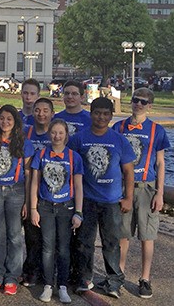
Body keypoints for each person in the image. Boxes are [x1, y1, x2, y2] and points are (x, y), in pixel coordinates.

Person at [68, 97, 135, 299]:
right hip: (86, 199)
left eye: (106, 114)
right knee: (84, 242)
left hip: (112, 200)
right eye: (97, 113)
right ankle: (83, 278)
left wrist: (128, 197)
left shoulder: (119, 140)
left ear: (111, 116)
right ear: (91, 114)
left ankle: (114, 281)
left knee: (111, 242)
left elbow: (129, 171)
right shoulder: (79, 139)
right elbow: (70, 167)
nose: (101, 117)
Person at [112, 88, 170, 299]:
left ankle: (145, 278)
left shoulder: (157, 130)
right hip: (123, 186)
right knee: (123, 234)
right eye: (135, 100)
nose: (138, 104)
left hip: (146, 187)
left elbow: (161, 162)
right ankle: (118, 274)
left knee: (147, 236)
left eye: (143, 102)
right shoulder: (119, 127)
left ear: (150, 106)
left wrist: (160, 193)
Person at [0, 105, 34, 296]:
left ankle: (12, 276)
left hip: (16, 192)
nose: (5, 122)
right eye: (2, 118)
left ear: (15, 122)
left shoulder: (24, 143)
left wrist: (28, 201)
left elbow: (28, 173)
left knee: (14, 235)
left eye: (9, 119)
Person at [30, 119, 84, 304]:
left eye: (61, 133)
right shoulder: (42, 154)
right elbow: (35, 183)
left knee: (63, 248)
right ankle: (47, 284)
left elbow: (78, 185)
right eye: (53, 132)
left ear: (66, 135)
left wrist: (78, 211)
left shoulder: (74, 157)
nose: (57, 136)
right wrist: (33, 208)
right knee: (47, 247)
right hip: (45, 206)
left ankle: (62, 286)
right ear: (49, 134)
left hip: (66, 207)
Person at [22, 97, 54, 287]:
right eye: (37, 110)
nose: (41, 114)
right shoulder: (27, 132)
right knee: (31, 234)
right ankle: (31, 270)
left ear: (52, 113)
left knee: (49, 236)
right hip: (31, 188)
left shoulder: (57, 134)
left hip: (51, 190)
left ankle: (48, 271)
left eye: (45, 110)